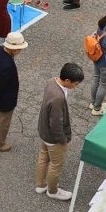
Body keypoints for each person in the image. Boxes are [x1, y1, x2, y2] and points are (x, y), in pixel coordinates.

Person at [35, 62, 84, 201]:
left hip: (43, 131)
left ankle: (40, 185)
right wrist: (62, 140)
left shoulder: (52, 82)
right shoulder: (58, 98)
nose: (76, 86)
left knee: (43, 157)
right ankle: (53, 190)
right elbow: (56, 124)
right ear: (67, 80)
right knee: (56, 165)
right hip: (53, 138)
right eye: (75, 83)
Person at [0, 31, 27, 152]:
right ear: (14, 49)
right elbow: (2, 86)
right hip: (6, 98)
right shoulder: (7, 65)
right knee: (3, 121)